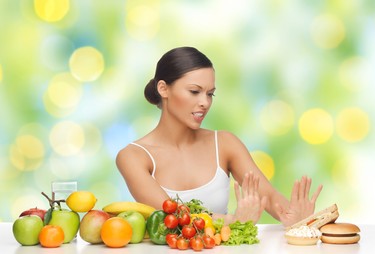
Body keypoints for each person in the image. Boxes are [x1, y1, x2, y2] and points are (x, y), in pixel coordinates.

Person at [116, 46, 323, 227]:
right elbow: (173, 217)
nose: (205, 102)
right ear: (163, 89)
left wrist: (296, 217)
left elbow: (267, 196)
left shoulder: (225, 143)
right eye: (194, 91)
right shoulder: (133, 157)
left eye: (210, 93)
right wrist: (234, 221)